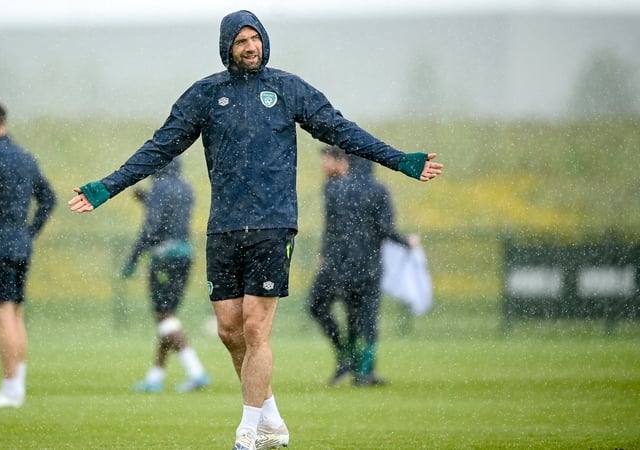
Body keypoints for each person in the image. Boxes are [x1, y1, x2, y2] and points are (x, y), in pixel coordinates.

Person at [68, 10, 442, 449]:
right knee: (229, 331)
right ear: (228, 46)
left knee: (255, 327)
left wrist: (400, 160)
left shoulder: (287, 89)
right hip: (224, 228)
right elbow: (158, 149)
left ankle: (248, 432)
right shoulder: (206, 94)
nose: (251, 46)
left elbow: (342, 129)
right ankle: (272, 421)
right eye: (242, 40)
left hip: (273, 224)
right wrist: (106, 187)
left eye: (256, 38)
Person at [309, 147, 418, 388]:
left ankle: (347, 358)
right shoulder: (378, 191)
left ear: (346, 161)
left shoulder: (333, 189)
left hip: (339, 264)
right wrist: (406, 241)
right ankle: (364, 371)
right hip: (368, 264)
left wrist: (326, 253)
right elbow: (385, 229)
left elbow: (332, 227)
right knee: (365, 316)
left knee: (339, 310)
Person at [0, 102, 56, 408]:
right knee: (16, 313)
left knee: (3, 313)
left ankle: (9, 389)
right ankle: (16, 385)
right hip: (21, 243)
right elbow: (49, 199)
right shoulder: (24, 156)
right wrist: (29, 231)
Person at [122, 157, 210, 394]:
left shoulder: (159, 187)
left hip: (164, 257)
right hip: (185, 254)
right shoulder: (185, 187)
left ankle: (196, 371)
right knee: (168, 318)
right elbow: (172, 215)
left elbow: (153, 225)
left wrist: (133, 258)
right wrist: (147, 201)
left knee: (164, 316)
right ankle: (156, 376)